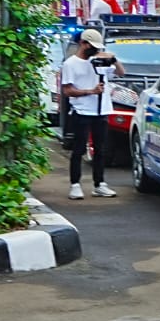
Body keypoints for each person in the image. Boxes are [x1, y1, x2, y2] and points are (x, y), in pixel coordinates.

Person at [59, 28, 124, 200]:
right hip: (81, 111)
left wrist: (113, 59)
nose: (95, 50)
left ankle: (99, 184)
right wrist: (91, 91)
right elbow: (67, 90)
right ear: (83, 43)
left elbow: (121, 73)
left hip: (101, 111)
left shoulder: (99, 62)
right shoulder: (70, 64)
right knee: (79, 149)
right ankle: (75, 184)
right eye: (92, 46)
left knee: (100, 149)